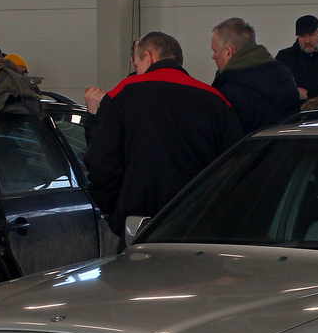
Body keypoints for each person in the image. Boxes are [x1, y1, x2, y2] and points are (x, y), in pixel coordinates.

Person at [84, 31, 243, 237]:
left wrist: (115, 212)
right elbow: (234, 164)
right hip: (201, 222)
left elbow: (101, 161)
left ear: (148, 57)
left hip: (140, 223)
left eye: (137, 64)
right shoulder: (215, 99)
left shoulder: (123, 94)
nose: (137, 70)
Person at [210, 17, 299, 133]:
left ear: (228, 52)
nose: (213, 56)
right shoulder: (284, 76)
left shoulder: (231, 91)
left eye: (215, 50)